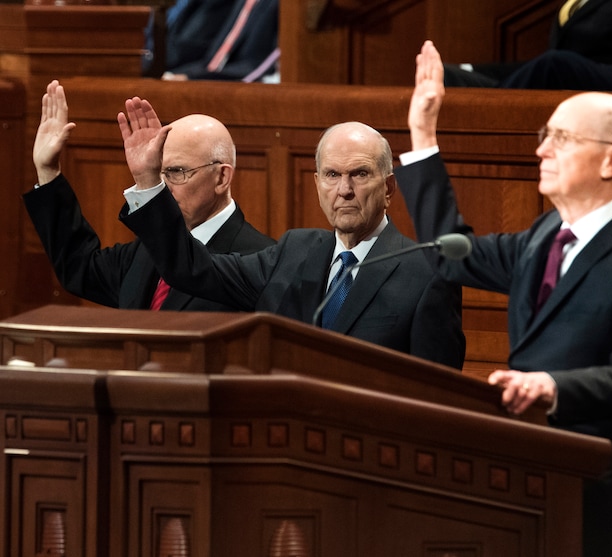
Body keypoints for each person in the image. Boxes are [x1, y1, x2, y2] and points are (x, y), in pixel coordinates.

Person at [396, 40, 612, 556]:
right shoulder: (542, 237)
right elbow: (450, 255)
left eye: (560, 138)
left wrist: (549, 385)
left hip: (603, 509)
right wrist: (423, 133)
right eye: (543, 136)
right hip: (530, 491)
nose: (541, 150)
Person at [115, 97, 466, 369]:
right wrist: (149, 182)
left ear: (388, 187)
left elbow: (440, 395)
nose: (344, 189)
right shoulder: (294, 251)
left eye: (359, 174)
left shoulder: (425, 275)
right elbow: (190, 268)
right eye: (331, 175)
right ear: (316, 184)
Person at [24, 80, 275, 311]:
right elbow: (80, 266)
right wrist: (48, 172)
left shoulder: (259, 261)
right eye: (159, 174)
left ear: (222, 178)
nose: (164, 187)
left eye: (177, 172)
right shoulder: (147, 251)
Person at [444, 0, 612, 88]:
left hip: (601, 85)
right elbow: (545, 63)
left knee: (555, 62)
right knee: (447, 75)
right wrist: (472, 70)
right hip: (554, 79)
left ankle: (489, 109)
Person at [147, 0, 280, 82]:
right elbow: (214, 60)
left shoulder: (284, 5)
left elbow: (261, 67)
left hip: (245, 85)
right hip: (214, 78)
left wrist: (193, 78)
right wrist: (183, 75)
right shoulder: (242, 2)